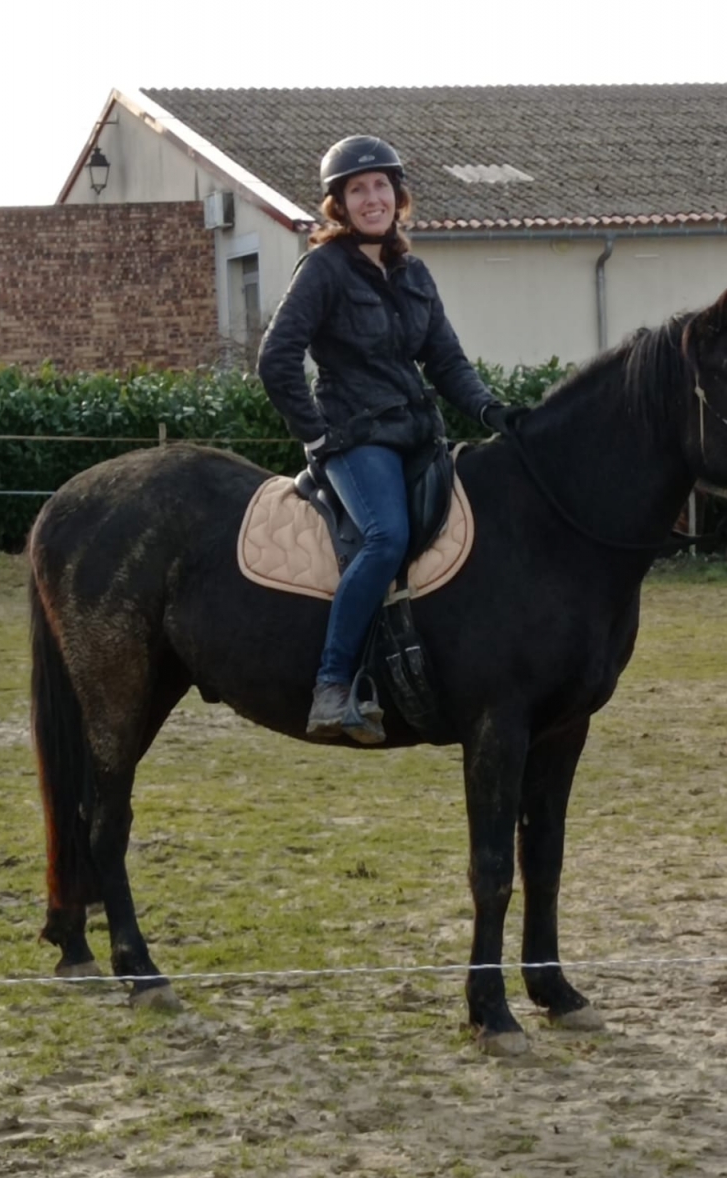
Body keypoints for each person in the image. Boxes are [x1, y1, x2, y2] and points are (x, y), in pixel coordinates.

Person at [258, 135, 517, 745]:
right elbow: (277, 357)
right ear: (339, 205)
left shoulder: (413, 272)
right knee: (387, 537)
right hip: (355, 439)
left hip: (419, 434)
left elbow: (446, 361)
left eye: (381, 186)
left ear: (398, 196)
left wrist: (490, 410)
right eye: (358, 189)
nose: (372, 198)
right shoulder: (323, 269)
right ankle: (331, 685)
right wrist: (315, 433)